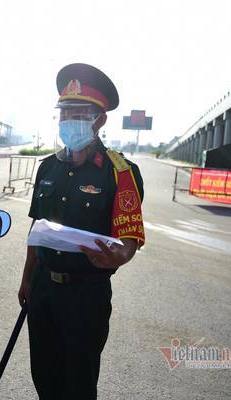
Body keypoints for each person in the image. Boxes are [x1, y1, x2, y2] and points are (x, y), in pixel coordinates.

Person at [17, 63, 145, 399]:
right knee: (44, 376)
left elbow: (128, 239)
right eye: (64, 114)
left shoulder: (121, 173)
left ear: (99, 120)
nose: (68, 121)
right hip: (44, 288)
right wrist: (27, 278)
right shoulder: (48, 167)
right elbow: (37, 229)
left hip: (86, 295)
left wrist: (122, 254)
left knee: (79, 384)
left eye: (78, 113)